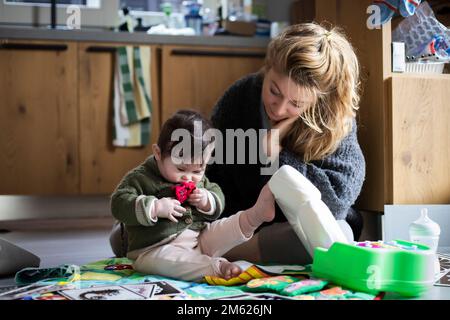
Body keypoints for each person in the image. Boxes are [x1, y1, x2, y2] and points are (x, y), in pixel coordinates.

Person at [206, 22, 366, 265]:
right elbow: (212, 173)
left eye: (296, 103)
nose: (279, 109)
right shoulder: (241, 96)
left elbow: (338, 200)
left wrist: (279, 156)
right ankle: (216, 246)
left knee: (338, 234)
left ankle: (222, 252)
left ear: (317, 101)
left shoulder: (333, 119)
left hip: (292, 230)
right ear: (268, 68)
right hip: (240, 221)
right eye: (274, 91)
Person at [110, 110, 276, 282]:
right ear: (158, 154)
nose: (188, 177)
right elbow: (118, 202)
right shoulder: (141, 177)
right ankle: (218, 267)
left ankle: (254, 216)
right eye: (180, 169)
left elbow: (217, 194)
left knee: (222, 228)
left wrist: (206, 200)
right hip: (154, 249)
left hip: (199, 239)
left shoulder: (199, 180)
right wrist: (154, 207)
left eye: (197, 170)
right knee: (173, 262)